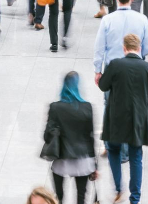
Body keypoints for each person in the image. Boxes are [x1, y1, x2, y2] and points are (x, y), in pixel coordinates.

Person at [97, 34, 148, 204]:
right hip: (139, 117)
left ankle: (119, 188)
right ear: (139, 48)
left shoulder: (115, 65)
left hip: (117, 116)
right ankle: (135, 198)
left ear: (124, 48)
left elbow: (103, 85)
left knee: (114, 150)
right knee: (136, 156)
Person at [45, 72, 96, 204]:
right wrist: (95, 165)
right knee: (81, 197)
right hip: (83, 160)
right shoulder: (87, 107)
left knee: (58, 196)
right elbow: (90, 137)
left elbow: (47, 136)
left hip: (62, 160)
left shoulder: (55, 107)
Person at [93, 0, 148, 82]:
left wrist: (98, 70)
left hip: (112, 67)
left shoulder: (107, 20)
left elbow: (99, 47)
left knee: (111, 97)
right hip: (135, 66)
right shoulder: (142, 19)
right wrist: (139, 54)